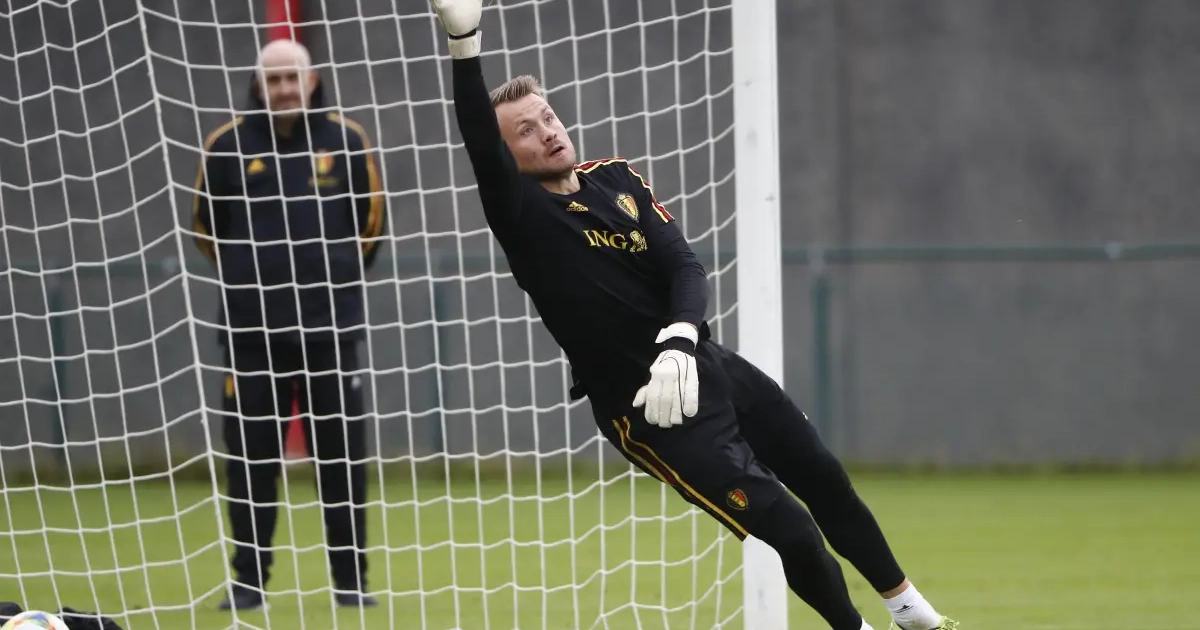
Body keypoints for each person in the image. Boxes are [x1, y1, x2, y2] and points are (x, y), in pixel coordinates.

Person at [427, 1, 961, 629]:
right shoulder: (519, 211)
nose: (547, 131)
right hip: (651, 412)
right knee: (789, 528)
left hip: (706, 364)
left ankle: (914, 614)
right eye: (525, 131)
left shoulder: (617, 179)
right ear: (506, 154)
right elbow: (477, 136)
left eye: (547, 116)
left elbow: (683, 266)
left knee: (823, 476)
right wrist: (465, 45)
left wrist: (680, 339)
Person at [192, 38, 386, 610]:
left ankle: (350, 582)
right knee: (249, 461)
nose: (283, 89)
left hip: (330, 332)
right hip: (251, 336)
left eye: (291, 78)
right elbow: (206, 228)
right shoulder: (225, 146)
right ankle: (248, 581)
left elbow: (370, 224)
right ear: (258, 85)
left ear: (312, 80)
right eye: (272, 79)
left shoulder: (347, 139)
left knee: (342, 459)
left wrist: (332, 276)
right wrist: (254, 277)